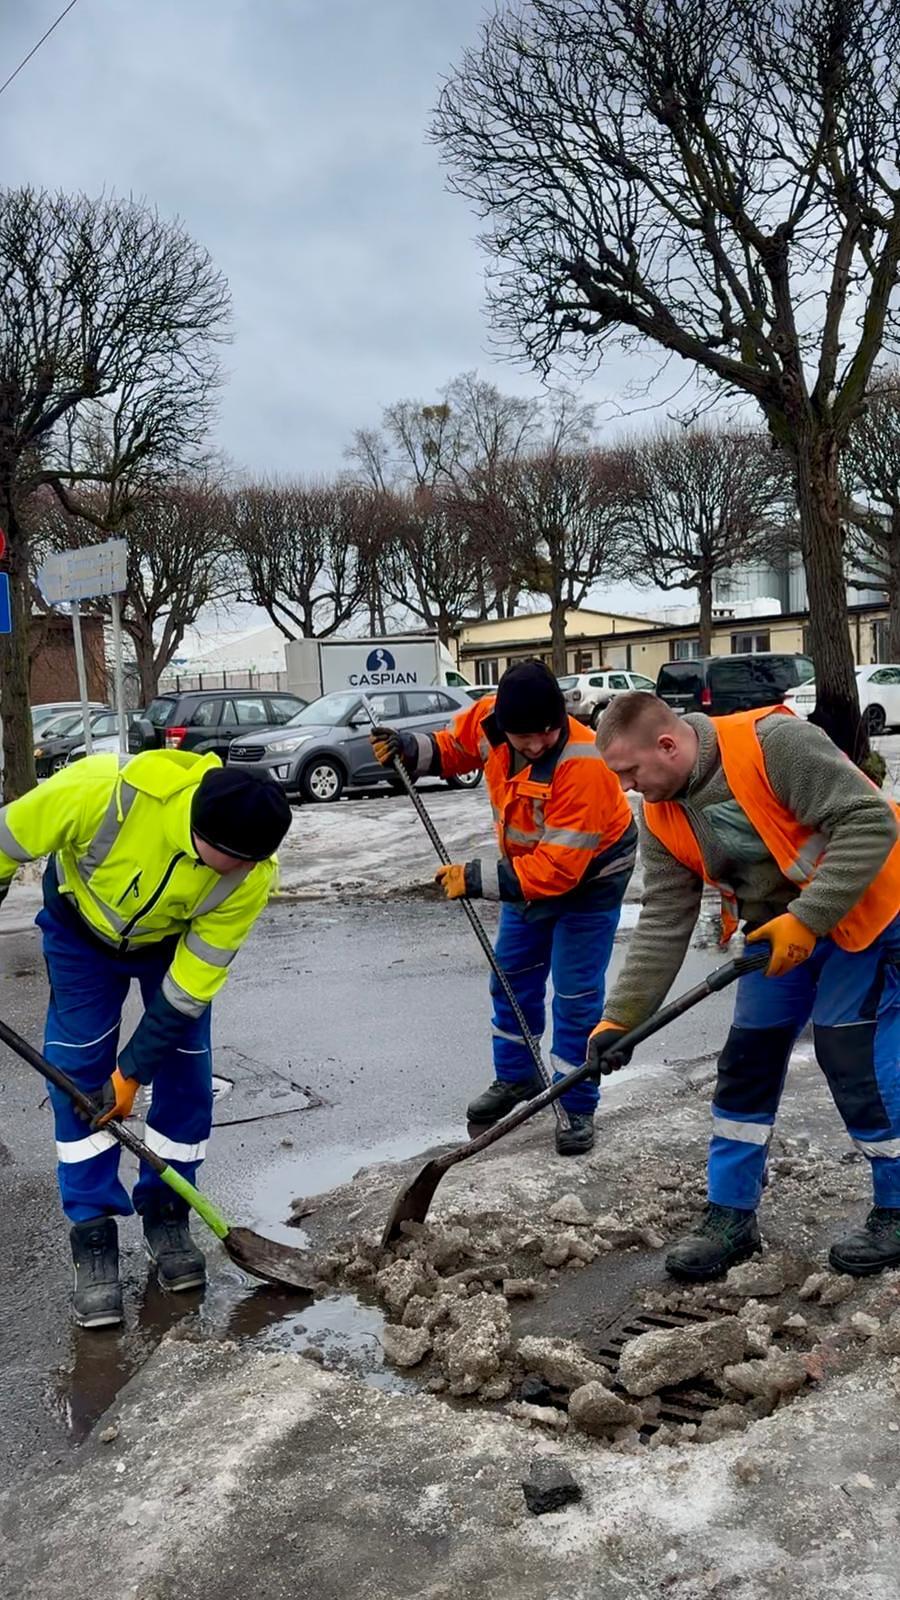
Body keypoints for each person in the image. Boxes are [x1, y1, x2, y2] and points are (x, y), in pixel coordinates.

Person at [587, 691, 900, 1280]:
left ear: (668, 744)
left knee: (850, 1054)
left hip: (865, 911)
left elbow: (868, 819)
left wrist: (811, 918)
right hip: (777, 930)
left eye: (630, 771)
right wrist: (620, 1019)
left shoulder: (773, 745)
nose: (627, 786)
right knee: (747, 1061)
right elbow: (663, 917)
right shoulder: (661, 811)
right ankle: (731, 1216)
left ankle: (898, 1207)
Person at [0, 750, 292, 1328]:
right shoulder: (102, 792)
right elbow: (5, 839)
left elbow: (188, 991)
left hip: (169, 947)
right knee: (79, 1073)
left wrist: (133, 1071)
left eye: (248, 861)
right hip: (80, 933)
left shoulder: (251, 873)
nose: (234, 870)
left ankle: (167, 1213)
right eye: (227, 857)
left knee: (185, 1073)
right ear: (197, 827)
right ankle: (92, 1236)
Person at [370, 659, 637, 1154]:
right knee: (511, 975)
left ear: (560, 719)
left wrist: (475, 879)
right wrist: (410, 750)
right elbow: (452, 751)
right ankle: (518, 1078)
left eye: (546, 733)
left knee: (576, 995)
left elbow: (559, 872)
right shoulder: (491, 720)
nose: (536, 744)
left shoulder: (584, 765)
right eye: (524, 737)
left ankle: (575, 1105)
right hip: (525, 869)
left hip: (591, 878)